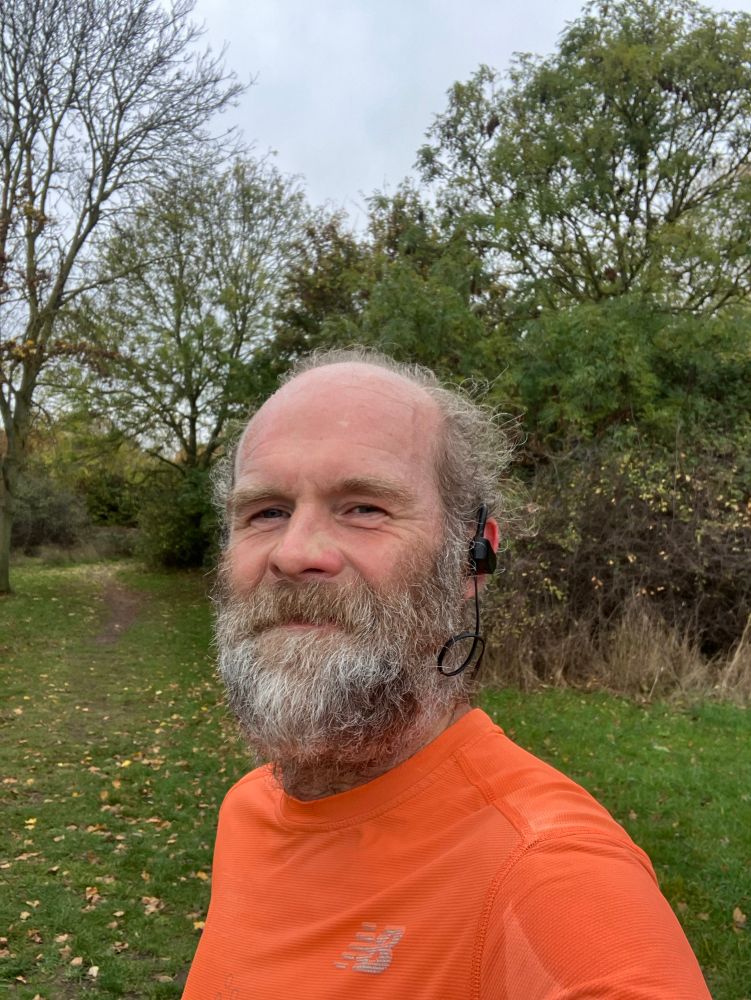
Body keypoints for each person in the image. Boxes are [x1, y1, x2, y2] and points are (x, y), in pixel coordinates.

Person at [183, 349, 711, 999]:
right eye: (265, 511)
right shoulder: (248, 809)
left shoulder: (552, 875)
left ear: (469, 560)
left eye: (364, 508)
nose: (295, 553)